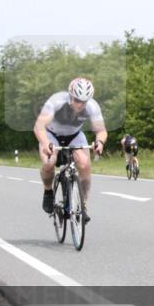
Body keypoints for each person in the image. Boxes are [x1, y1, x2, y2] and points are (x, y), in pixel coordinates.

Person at [34, 77, 107, 225]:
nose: (80, 105)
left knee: (85, 164)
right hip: (51, 134)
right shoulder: (56, 101)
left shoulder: (92, 106)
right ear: (70, 95)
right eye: (77, 100)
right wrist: (46, 143)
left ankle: (83, 204)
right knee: (49, 163)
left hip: (74, 135)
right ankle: (48, 191)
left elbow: (101, 130)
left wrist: (99, 142)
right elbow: (39, 126)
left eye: (84, 102)